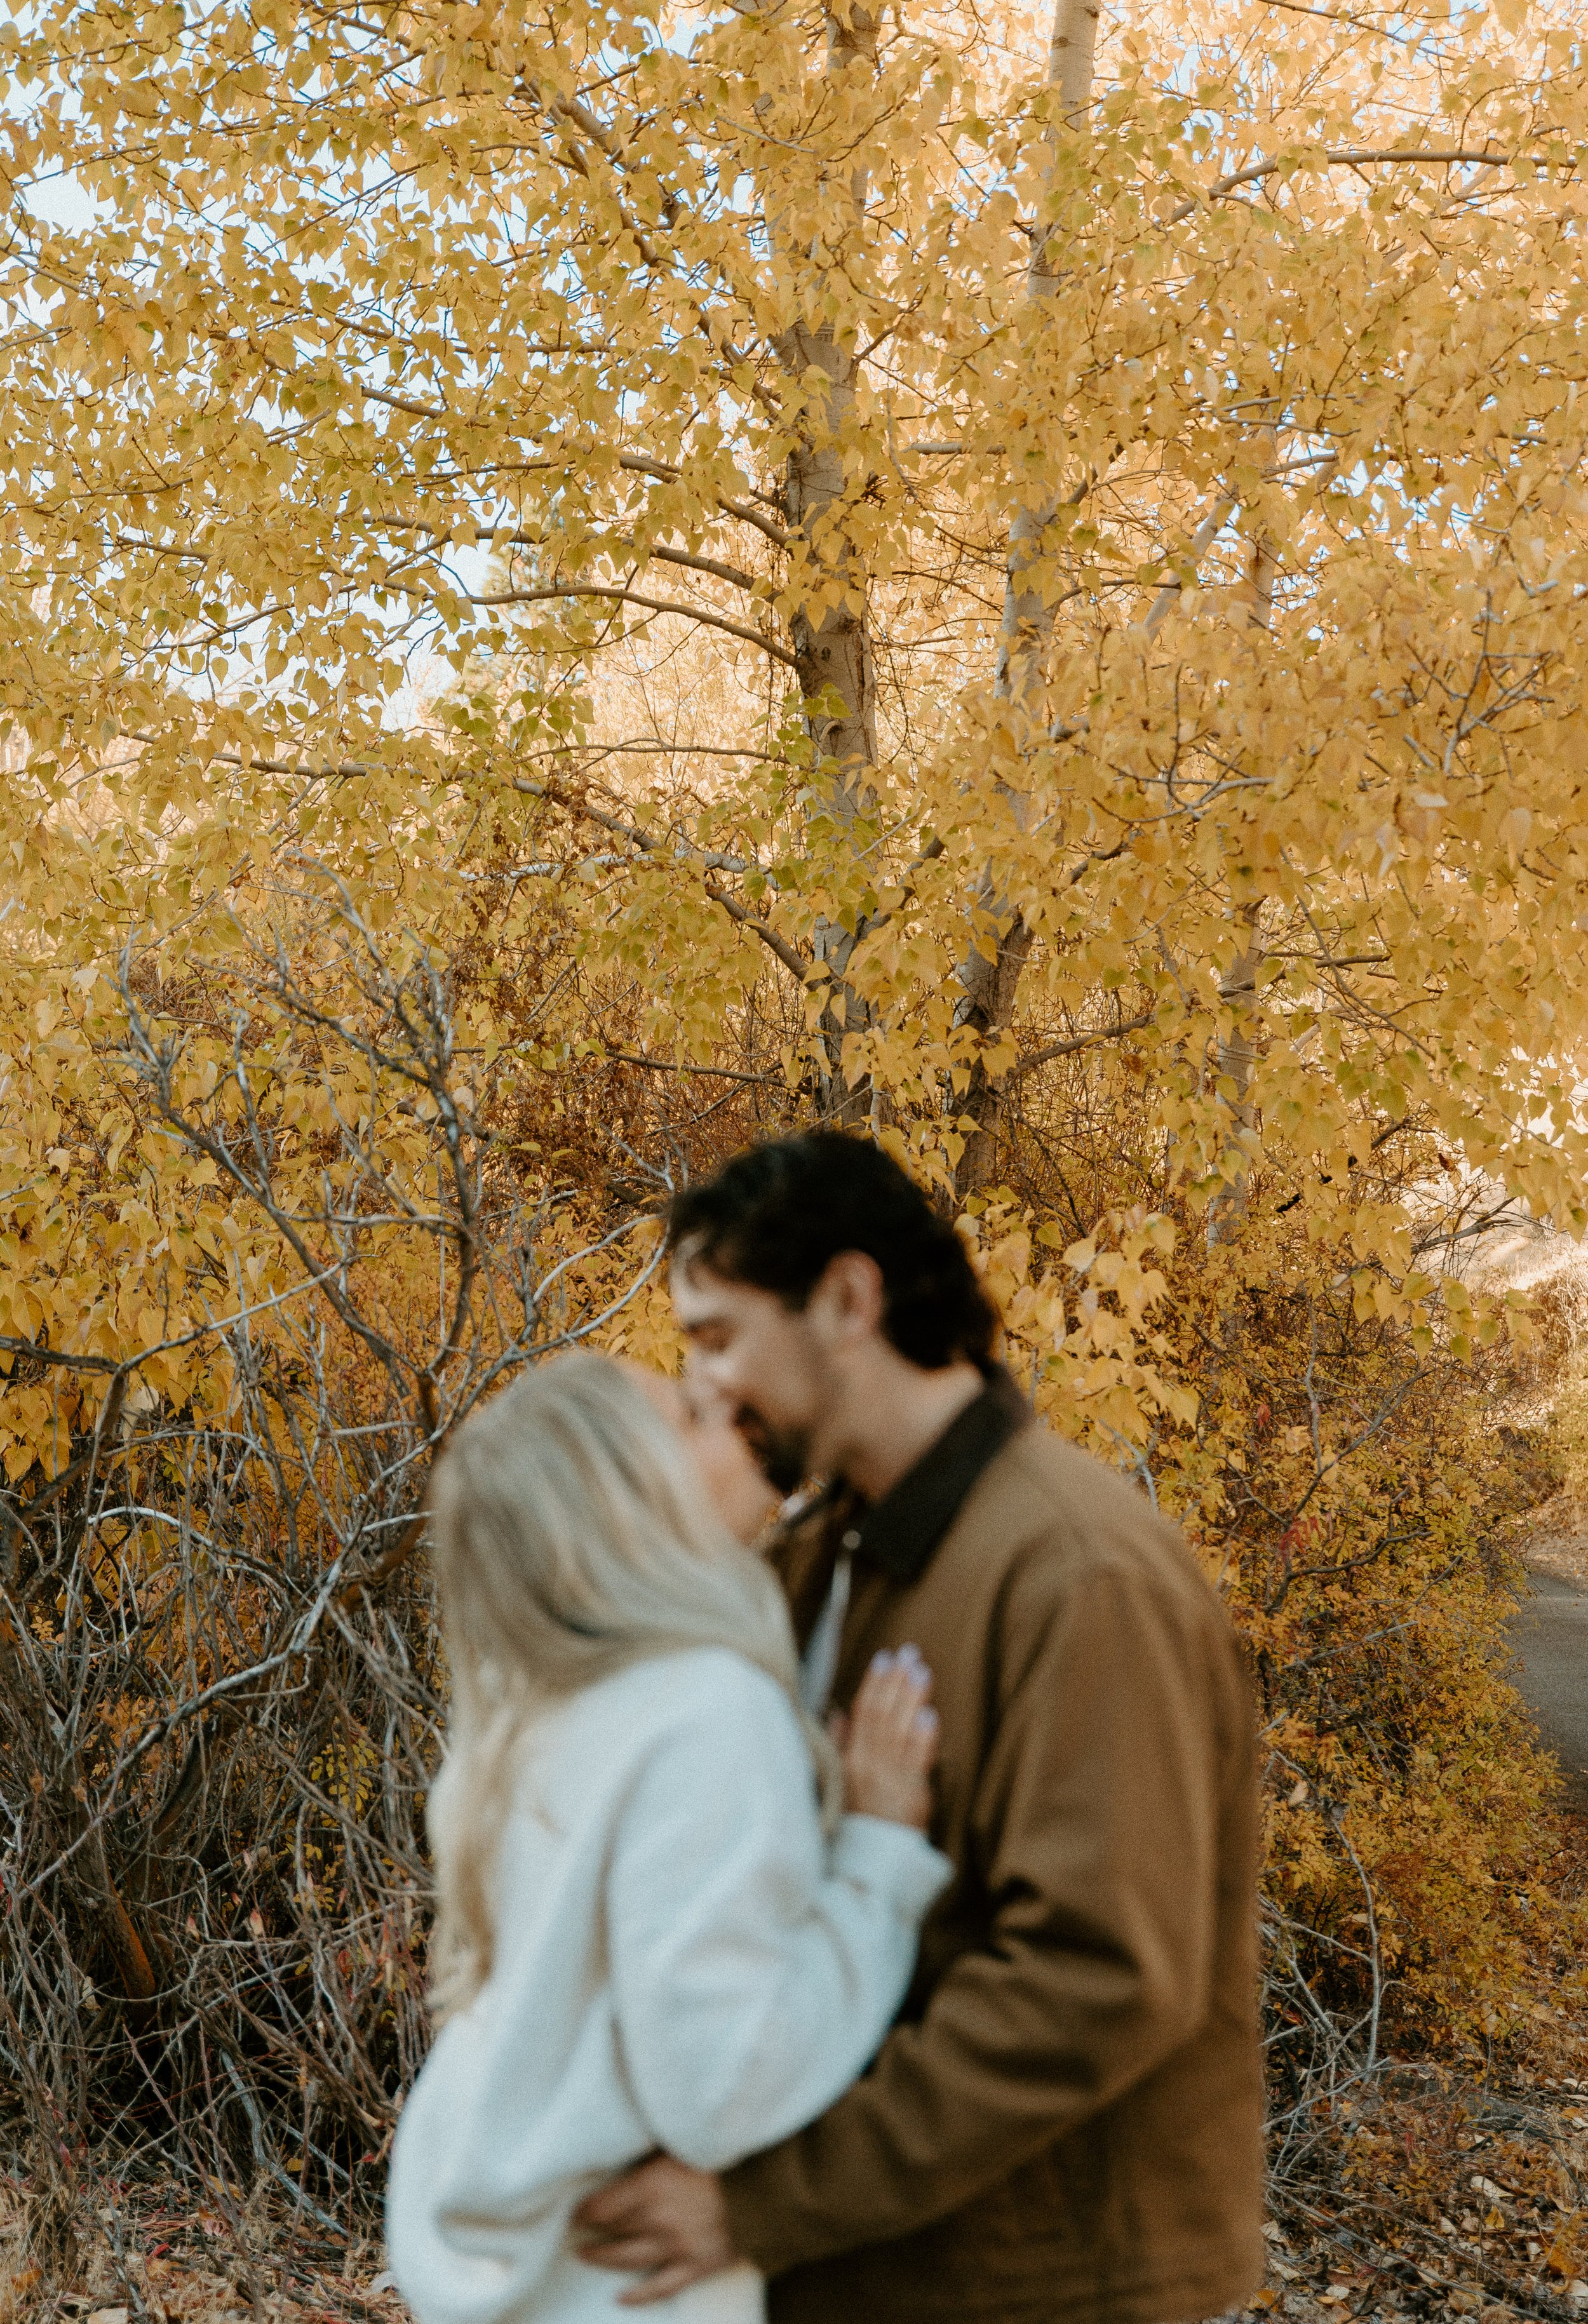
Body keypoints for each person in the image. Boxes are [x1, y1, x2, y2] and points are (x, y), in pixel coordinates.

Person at [574, 1132, 1266, 2324]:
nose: (703, 1385)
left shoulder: (1080, 1576)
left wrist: (766, 2201)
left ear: (847, 1299)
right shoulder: (822, 1552)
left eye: (719, 1337)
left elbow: (1097, 1977)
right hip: (878, 2270)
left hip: (1037, 2284)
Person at [386, 1350, 953, 2324]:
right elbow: (724, 2085)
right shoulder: (705, 1713)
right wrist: (876, 1862)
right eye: (689, 1419)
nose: (730, 1415)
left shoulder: (546, 1715)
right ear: (630, 1505)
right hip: (634, 2296)